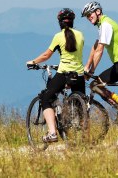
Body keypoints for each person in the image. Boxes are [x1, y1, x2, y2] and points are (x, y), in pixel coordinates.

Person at [26, 8, 85, 143]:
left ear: (60, 22)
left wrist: (33, 62)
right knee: (79, 103)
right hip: (79, 75)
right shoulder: (81, 35)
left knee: (46, 98)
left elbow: (47, 55)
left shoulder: (58, 37)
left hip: (64, 73)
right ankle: (83, 135)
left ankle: (52, 133)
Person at [81, 1, 118, 143]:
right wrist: (87, 66)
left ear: (98, 12)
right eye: (86, 16)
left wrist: (92, 69)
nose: (88, 17)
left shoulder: (106, 25)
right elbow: (95, 46)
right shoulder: (102, 26)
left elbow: (100, 50)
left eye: (89, 14)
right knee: (95, 85)